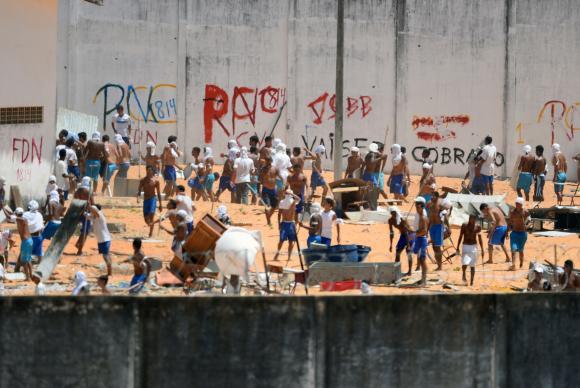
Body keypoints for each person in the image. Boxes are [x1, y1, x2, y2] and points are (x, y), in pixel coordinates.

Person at [457, 213, 484, 286]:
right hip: (465, 245)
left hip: (474, 247)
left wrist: (482, 249)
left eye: (474, 219)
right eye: (472, 218)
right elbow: (460, 236)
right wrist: (457, 247)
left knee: (473, 265)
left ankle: (472, 282)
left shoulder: (477, 226)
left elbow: (480, 237)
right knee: (465, 263)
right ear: (469, 218)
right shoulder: (464, 225)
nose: (473, 220)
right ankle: (463, 274)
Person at [273, 190, 300, 262]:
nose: (287, 195)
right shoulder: (284, 202)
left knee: (289, 241)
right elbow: (279, 213)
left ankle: (287, 256)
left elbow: (299, 199)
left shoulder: (291, 202)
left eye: (288, 193)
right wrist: (279, 224)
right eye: (287, 193)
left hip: (290, 223)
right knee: (283, 241)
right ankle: (278, 255)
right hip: (286, 223)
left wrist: (292, 193)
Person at [87, 204, 112, 275]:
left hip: (105, 239)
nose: (91, 211)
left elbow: (95, 212)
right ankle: (109, 269)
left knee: (105, 255)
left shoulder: (100, 215)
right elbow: (87, 216)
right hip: (100, 240)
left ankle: (110, 272)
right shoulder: (93, 217)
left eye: (92, 210)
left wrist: (89, 206)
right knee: (105, 255)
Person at [388, 206, 414, 276]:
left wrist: (408, 245)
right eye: (392, 213)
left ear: (396, 212)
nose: (393, 215)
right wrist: (391, 244)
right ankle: (397, 270)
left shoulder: (402, 220)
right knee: (397, 252)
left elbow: (406, 232)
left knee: (408, 252)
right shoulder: (390, 221)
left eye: (394, 213)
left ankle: (410, 271)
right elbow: (391, 233)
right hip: (403, 235)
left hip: (410, 235)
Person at [138, 165, 163, 238]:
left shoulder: (156, 181)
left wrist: (160, 204)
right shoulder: (142, 180)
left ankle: (150, 233)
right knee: (146, 219)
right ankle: (149, 224)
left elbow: (158, 193)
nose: (149, 172)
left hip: (153, 199)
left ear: (152, 171)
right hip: (146, 200)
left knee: (151, 214)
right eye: (147, 171)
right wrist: (138, 197)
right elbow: (139, 190)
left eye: (150, 171)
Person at [508, 197, 529, 270]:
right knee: (513, 250)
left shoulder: (525, 211)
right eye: (516, 203)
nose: (516, 205)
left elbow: (529, 219)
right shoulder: (512, 212)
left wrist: (527, 225)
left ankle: (521, 263)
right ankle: (513, 264)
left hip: (523, 234)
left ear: (521, 204)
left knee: (520, 251)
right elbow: (510, 222)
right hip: (514, 233)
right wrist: (507, 232)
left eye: (518, 204)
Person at [74, 177, 94, 255]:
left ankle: (78, 244)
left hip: (77, 212)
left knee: (83, 231)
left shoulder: (77, 191)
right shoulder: (88, 192)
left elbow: (75, 202)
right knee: (85, 232)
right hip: (86, 213)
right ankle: (79, 250)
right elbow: (92, 203)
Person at [412, 197, 429, 286]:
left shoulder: (423, 217)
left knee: (422, 259)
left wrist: (415, 234)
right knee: (420, 258)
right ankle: (423, 279)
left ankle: (424, 280)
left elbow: (424, 231)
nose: (416, 208)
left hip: (422, 238)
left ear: (421, 207)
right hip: (419, 238)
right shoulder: (420, 215)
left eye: (417, 206)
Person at [260, 156, 280, 226]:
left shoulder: (275, 169)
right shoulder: (263, 169)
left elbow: (279, 177)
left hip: (273, 189)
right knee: (267, 206)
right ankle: (268, 221)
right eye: (266, 161)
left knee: (274, 206)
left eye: (269, 161)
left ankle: (268, 217)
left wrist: (281, 186)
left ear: (271, 161)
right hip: (266, 189)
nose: (268, 162)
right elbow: (260, 179)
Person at [14, 208, 33, 280]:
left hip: (26, 241)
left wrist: (3, 208)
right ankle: (31, 275)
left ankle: (28, 278)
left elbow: (11, 217)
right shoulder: (21, 219)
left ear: (16, 213)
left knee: (24, 261)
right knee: (28, 260)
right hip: (28, 241)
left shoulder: (22, 220)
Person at [427, 193, 444, 271]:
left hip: (438, 226)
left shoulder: (440, 205)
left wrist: (448, 227)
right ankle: (438, 265)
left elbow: (445, 216)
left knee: (437, 246)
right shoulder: (430, 205)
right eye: (432, 196)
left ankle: (440, 266)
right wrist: (427, 229)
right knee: (434, 246)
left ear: (437, 197)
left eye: (433, 196)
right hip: (432, 227)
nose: (432, 197)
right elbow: (429, 218)